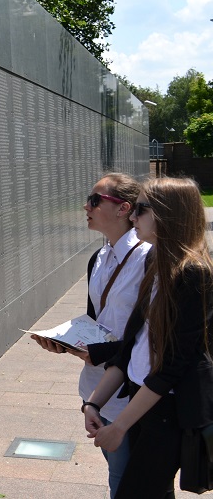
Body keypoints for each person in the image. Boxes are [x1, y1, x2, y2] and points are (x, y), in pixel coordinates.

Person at [82, 176, 213, 498]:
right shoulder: (156, 262)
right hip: (139, 399)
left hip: (167, 411)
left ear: (168, 214)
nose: (133, 216)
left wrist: (120, 426)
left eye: (141, 209)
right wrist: (93, 403)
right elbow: (130, 346)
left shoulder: (193, 274)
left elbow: (171, 365)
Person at [30, 172, 150, 498]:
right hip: (96, 391)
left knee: (127, 484)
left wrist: (99, 353)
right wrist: (65, 343)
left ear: (124, 208)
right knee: (120, 477)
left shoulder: (148, 259)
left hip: (130, 395)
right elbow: (94, 324)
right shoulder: (98, 258)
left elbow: (151, 337)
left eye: (95, 200)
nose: (86, 206)